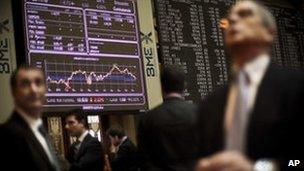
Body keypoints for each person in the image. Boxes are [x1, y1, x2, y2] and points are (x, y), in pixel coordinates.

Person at [196, 1, 304, 171]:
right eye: (230, 18)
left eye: (245, 14)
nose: (232, 18)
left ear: (269, 33)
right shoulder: (210, 103)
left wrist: (260, 168)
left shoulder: (297, 87)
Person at [137, 66, 199, 171]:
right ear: (184, 86)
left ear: (162, 86)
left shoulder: (147, 119)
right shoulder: (199, 113)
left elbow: (144, 162)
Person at [0, 65, 61, 171]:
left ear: (45, 89)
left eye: (38, 83)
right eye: (25, 84)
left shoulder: (39, 129)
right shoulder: (7, 135)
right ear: (14, 92)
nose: (33, 90)